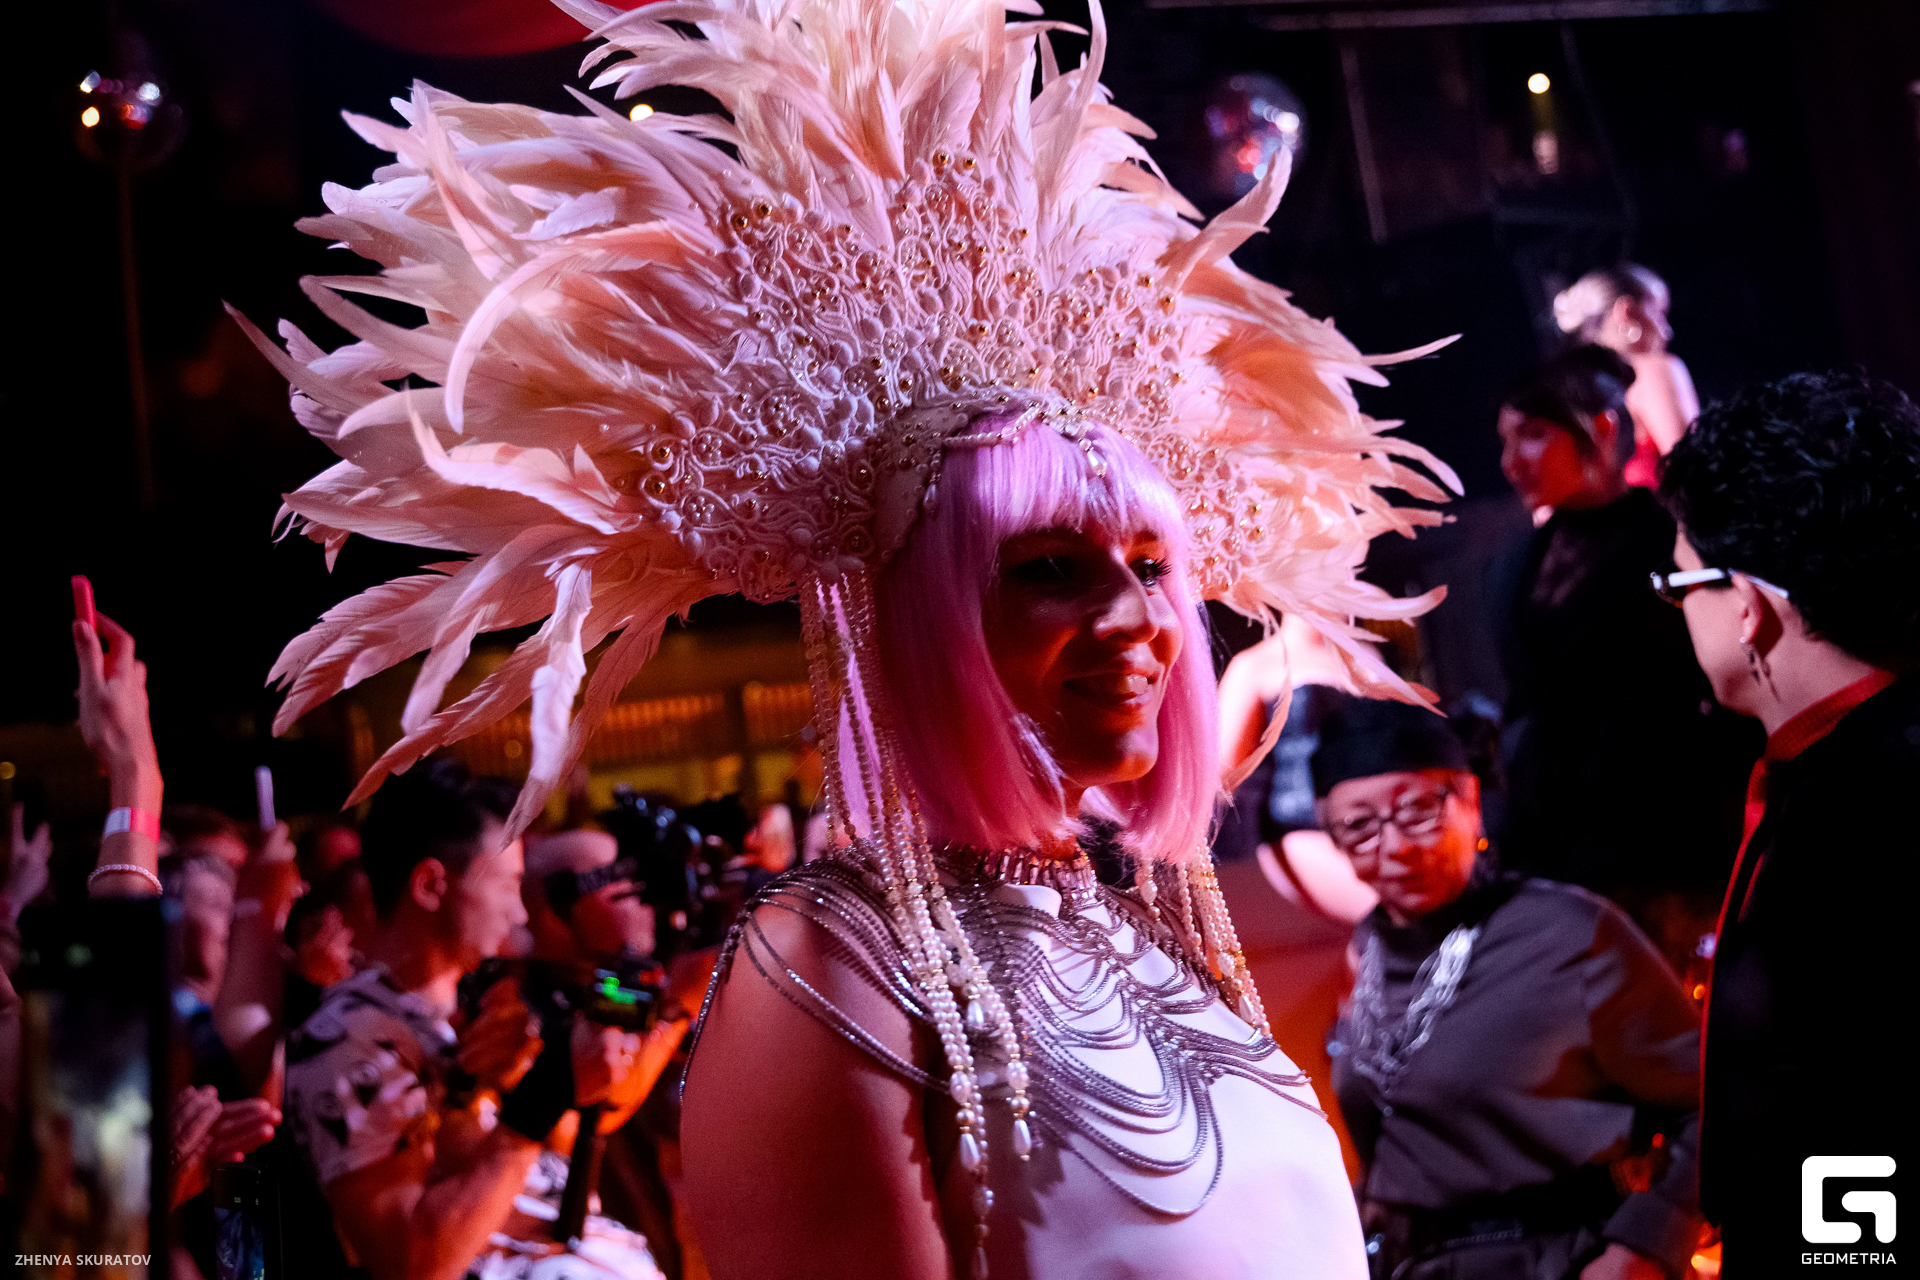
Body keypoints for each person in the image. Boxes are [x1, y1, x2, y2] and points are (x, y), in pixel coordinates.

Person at [238, 0, 1468, 1271]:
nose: (1134, 618)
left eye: (1152, 566)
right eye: (1049, 568)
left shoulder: (1133, 921)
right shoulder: (832, 963)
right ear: (921, 617)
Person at [1655, 370, 1919, 1275]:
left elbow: (1868, 1105)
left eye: (1678, 583)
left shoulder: (1869, 809)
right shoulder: (1841, 769)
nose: (1676, 612)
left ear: (1749, 607)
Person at [1317, 699, 1702, 1280]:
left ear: (1471, 801)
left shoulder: (1568, 932)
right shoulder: (1366, 953)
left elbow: (1710, 1105)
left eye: (1417, 811)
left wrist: (1644, 1247)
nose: (1395, 847)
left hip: (1558, 1259)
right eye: (1360, 827)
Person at [279, 764, 641, 1280]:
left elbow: (554, 1158)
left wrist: (532, 1078)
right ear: (431, 885)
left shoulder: (474, 1007)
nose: (521, 913)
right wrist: (538, 1099)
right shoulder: (344, 1040)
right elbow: (412, 1264)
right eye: (509, 885)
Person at [1492, 346, 1758, 929]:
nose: (1511, 463)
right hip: (1553, 848)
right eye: (1505, 442)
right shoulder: (1515, 564)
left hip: (1668, 847)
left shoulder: (1675, 541)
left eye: (1533, 435)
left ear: (1603, 429)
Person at [1552, 265, 1699, 490]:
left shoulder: (1563, 397)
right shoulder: (1653, 370)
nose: (1667, 331)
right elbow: (1693, 471)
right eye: (1659, 314)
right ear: (1626, 311)